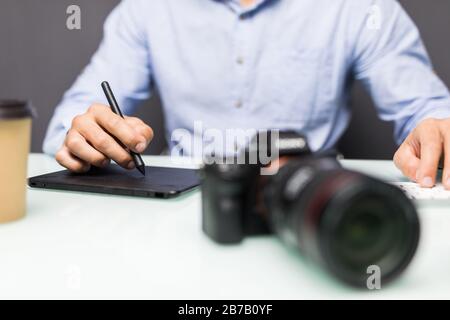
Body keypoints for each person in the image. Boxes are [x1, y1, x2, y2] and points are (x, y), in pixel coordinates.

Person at [44, 0, 450, 188]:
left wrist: (436, 131)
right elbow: (71, 119)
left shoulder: (361, 7)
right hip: (183, 201)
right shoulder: (147, 8)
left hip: (306, 195)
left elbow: (428, 109)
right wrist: (83, 133)